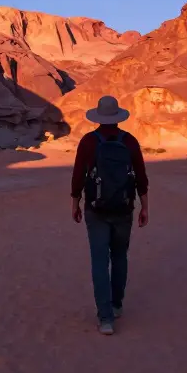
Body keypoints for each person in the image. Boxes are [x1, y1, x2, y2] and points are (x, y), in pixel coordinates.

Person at [70, 95, 149, 336]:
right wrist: (144, 206)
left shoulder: (88, 142)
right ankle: (116, 305)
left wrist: (75, 202)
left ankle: (105, 318)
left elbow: (78, 176)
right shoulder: (130, 141)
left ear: (98, 117)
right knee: (119, 257)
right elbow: (141, 177)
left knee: (99, 261)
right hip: (124, 208)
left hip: (96, 208)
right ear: (117, 118)